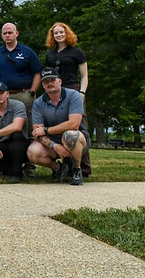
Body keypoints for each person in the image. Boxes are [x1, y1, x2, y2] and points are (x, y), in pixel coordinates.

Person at [0, 22, 41, 177]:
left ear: (16, 33)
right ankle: (6, 163)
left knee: (28, 129)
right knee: (3, 128)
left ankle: (29, 165)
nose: (7, 35)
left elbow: (37, 73)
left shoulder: (27, 52)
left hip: (23, 94)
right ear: (1, 35)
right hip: (3, 95)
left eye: (10, 32)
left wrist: (32, 92)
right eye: (4, 33)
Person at [44, 21, 91, 176]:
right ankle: (66, 166)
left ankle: (83, 167)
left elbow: (84, 76)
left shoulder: (77, 52)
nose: (59, 35)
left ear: (67, 33)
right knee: (60, 126)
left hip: (73, 90)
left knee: (78, 128)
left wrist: (82, 93)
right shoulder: (50, 54)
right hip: (55, 92)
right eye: (56, 33)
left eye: (61, 32)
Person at [27, 68, 89, 186]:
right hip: (53, 141)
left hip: (77, 139)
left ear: (60, 81)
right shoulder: (38, 103)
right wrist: (55, 146)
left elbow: (74, 124)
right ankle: (59, 168)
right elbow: (37, 132)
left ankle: (76, 170)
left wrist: (46, 130)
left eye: (52, 80)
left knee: (70, 135)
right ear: (43, 85)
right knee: (32, 152)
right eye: (46, 81)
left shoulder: (74, 95)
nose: (49, 83)